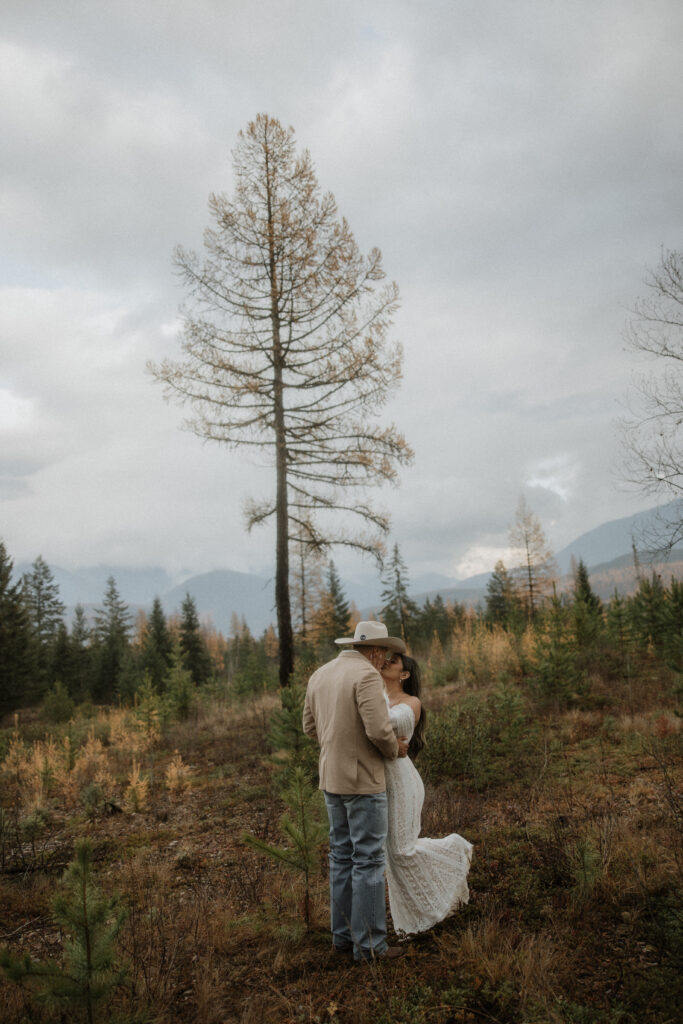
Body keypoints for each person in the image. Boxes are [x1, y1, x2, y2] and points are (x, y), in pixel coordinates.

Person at [303, 620, 410, 963]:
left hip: (330, 780)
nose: (384, 661)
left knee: (341, 858)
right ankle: (370, 947)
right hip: (363, 781)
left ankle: (342, 939)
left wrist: (337, 743)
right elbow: (379, 731)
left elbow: (308, 726)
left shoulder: (320, 674)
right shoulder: (366, 676)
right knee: (368, 860)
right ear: (375, 651)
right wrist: (396, 749)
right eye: (385, 654)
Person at [380, 651, 473, 935]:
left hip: (402, 781)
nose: (385, 661)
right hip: (379, 783)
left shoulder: (412, 703)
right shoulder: (374, 697)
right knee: (391, 857)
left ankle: (455, 850)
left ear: (404, 674)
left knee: (402, 850)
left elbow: (383, 724)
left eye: (393, 661)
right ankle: (417, 918)